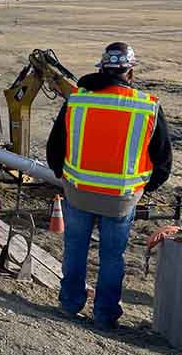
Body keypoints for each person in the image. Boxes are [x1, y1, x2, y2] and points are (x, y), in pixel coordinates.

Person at [46, 43, 173, 330]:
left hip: (78, 194)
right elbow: (163, 158)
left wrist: (64, 177)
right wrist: (145, 187)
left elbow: (55, 147)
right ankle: (104, 316)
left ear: (101, 69)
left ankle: (70, 304)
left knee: (75, 250)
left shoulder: (77, 101)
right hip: (120, 200)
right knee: (112, 257)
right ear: (130, 72)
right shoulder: (147, 105)